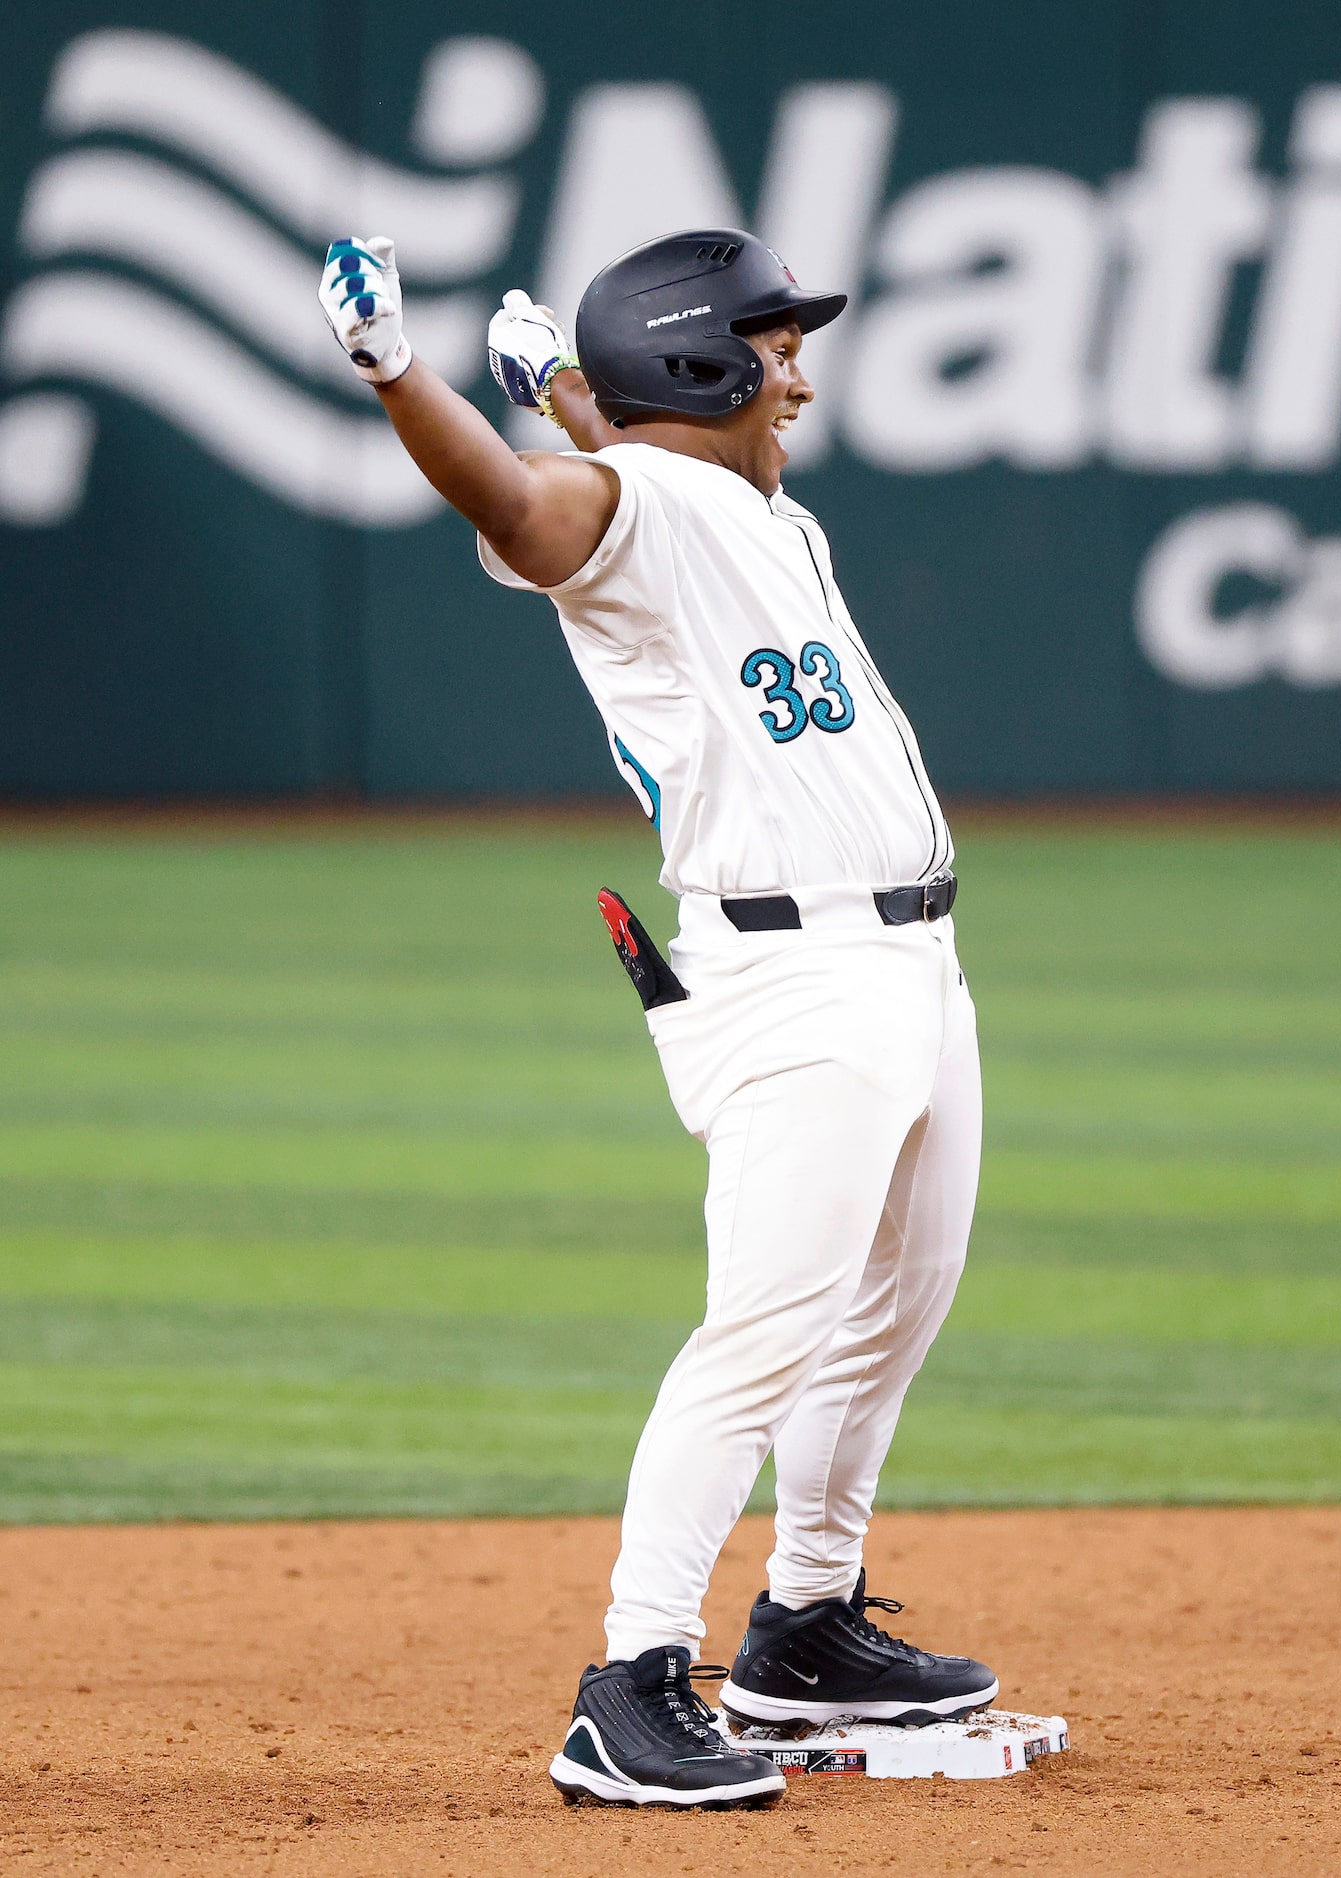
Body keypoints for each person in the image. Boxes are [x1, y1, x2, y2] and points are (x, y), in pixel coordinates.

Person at [318, 228, 999, 1807]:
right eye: (773, 347)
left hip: (912, 966)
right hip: (793, 976)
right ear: (703, 363)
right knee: (764, 1328)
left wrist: (557, 379)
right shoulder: (639, 505)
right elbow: (532, 505)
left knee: (894, 1310)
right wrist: (399, 372)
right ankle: (626, 1683)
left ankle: (807, 1625)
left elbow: (630, 475)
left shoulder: (741, 509)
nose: (801, 375)